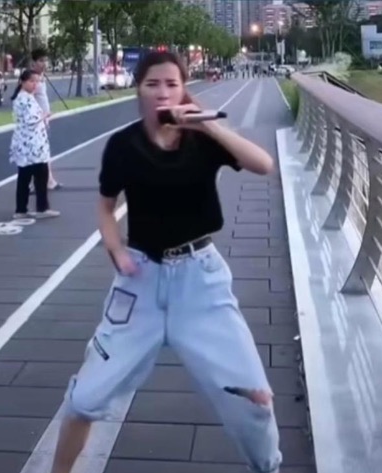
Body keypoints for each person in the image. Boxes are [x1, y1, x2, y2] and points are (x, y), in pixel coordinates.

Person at [49, 51, 282, 473]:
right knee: (83, 400)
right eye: (152, 84)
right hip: (140, 284)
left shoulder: (203, 138)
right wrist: (116, 250)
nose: (162, 93)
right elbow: (105, 207)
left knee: (256, 399)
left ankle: (267, 466)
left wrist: (207, 125)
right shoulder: (123, 145)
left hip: (201, 282)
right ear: (138, 90)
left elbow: (263, 165)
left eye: (172, 84)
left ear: (184, 89)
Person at [9, 70, 60, 220]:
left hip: (31, 144)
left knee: (27, 177)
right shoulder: (23, 99)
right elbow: (31, 120)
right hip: (31, 146)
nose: (35, 85)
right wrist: (45, 115)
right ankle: (39, 208)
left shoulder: (26, 97)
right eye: (32, 81)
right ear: (22, 82)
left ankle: (23, 209)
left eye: (37, 82)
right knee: (38, 176)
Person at [31, 47, 62, 190]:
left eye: (45, 60)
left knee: (44, 153)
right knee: (36, 154)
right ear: (33, 62)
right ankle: (34, 184)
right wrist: (38, 117)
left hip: (43, 122)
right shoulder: (32, 78)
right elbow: (26, 99)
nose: (44, 63)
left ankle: (49, 180)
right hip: (36, 123)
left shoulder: (42, 77)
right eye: (40, 61)